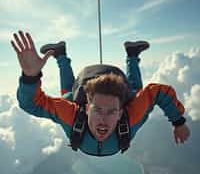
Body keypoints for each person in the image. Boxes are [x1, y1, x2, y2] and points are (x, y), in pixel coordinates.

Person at [11, 31, 190, 156]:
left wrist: (30, 77)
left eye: (111, 112)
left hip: (96, 86)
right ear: (87, 108)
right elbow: (157, 92)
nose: (103, 120)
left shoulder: (126, 116)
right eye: (97, 110)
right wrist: (30, 76)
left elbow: (31, 103)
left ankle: (61, 55)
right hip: (86, 85)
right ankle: (131, 55)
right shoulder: (127, 118)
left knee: (71, 95)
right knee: (69, 97)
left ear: (120, 113)